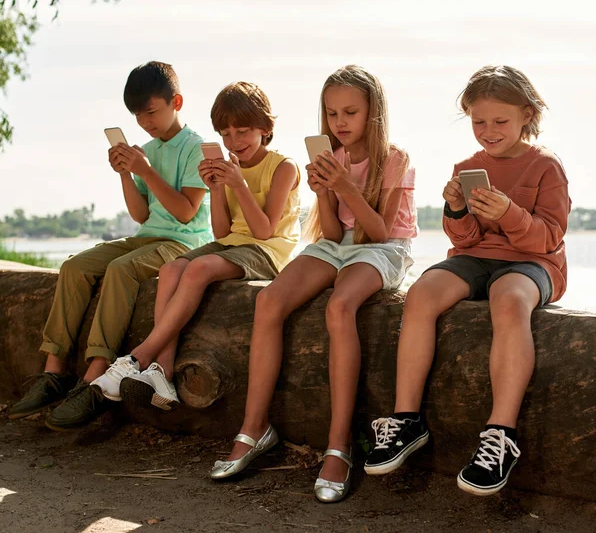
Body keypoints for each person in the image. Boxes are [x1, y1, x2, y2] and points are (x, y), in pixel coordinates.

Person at [211, 65, 417, 504]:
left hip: (382, 247)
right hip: (335, 243)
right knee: (268, 301)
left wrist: (347, 187)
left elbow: (379, 231)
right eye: (331, 113)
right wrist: (326, 189)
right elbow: (328, 228)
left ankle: (339, 444)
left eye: (350, 112)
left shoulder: (396, 158)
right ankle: (253, 428)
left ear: (372, 113)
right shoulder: (331, 156)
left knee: (339, 308)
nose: (339, 122)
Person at [364, 65, 571, 496]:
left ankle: (501, 434)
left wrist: (509, 214)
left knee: (508, 298)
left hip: (535, 264)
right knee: (421, 292)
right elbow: (464, 239)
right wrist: (456, 209)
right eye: (479, 121)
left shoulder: (546, 166)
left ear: (527, 114)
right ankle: (406, 420)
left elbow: (550, 237)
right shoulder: (467, 166)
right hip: (475, 257)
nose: (488, 131)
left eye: (500, 121)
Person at [9, 61, 211, 430]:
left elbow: (185, 213)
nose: (145, 122)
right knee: (74, 266)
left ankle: (95, 377)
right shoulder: (147, 149)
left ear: (176, 101)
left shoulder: (196, 148)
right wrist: (126, 174)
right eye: (137, 115)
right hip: (148, 237)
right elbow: (139, 214)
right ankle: (53, 371)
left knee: (120, 270)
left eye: (151, 112)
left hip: (185, 244)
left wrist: (145, 170)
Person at [95, 81, 301, 410]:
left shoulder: (284, 167)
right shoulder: (228, 166)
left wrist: (238, 184)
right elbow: (220, 232)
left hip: (268, 251)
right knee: (172, 268)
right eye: (226, 134)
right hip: (232, 245)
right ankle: (161, 371)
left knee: (199, 269)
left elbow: (263, 231)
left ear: (265, 127)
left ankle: (138, 358)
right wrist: (217, 188)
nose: (234, 141)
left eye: (243, 131)